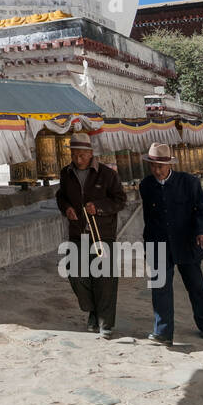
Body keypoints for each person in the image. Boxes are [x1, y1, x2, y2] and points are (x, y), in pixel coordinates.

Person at [140, 142, 203, 344]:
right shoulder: (146, 185)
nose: (157, 171)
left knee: (196, 286)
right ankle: (163, 332)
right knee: (160, 288)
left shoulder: (189, 182)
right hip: (158, 244)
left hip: (186, 243)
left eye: (160, 167)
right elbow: (149, 218)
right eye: (153, 166)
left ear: (169, 165)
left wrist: (202, 233)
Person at [56, 135, 128, 338]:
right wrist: (67, 208)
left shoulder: (107, 174)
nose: (77, 159)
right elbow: (61, 196)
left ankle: (105, 323)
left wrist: (99, 207)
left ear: (90, 154)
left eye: (81, 155)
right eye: (74, 155)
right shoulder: (66, 173)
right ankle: (93, 310)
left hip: (102, 234)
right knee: (75, 274)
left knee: (104, 279)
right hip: (78, 233)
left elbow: (120, 200)